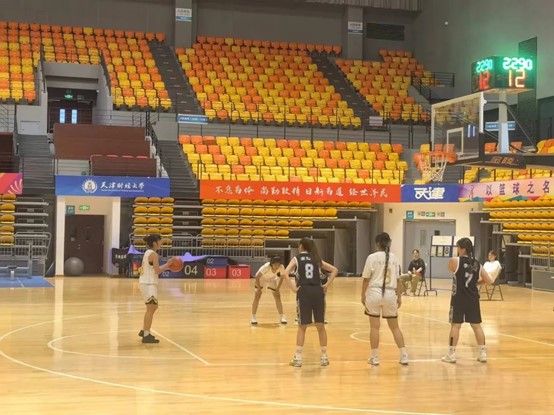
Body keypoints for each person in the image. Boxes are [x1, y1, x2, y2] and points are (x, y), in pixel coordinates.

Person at [282, 237, 338, 367]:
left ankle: (298, 358)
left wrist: (293, 288)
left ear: (301, 246)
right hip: (318, 291)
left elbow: (285, 273)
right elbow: (335, 270)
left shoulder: (296, 258)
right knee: (320, 326)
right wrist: (327, 285)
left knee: (302, 327)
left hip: (304, 292)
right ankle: (324, 357)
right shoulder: (316, 259)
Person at [442, 237, 492, 364]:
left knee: (455, 325)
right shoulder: (477, 264)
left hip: (458, 297)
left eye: (458, 248)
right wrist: (476, 283)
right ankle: (483, 353)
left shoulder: (455, 261)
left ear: (463, 249)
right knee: (476, 326)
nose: (457, 250)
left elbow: (450, 269)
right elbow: (488, 280)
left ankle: (451, 354)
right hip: (473, 298)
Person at [361, 232, 408, 366]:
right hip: (390, 293)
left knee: (374, 327)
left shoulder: (372, 257)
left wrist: (362, 295)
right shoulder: (394, 258)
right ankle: (404, 355)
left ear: (377, 243)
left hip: (374, 292)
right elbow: (398, 280)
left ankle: (375, 357)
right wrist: (399, 296)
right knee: (395, 327)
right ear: (389, 243)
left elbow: (366, 279)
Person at [138, 234, 172, 344]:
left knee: (152, 307)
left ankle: (144, 330)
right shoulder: (153, 254)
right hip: (148, 284)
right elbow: (157, 271)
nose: (161, 242)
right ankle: (146, 334)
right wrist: (168, 265)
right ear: (154, 243)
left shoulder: (148, 252)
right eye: (160, 240)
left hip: (145, 283)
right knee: (151, 308)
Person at [251, 256, 287, 325]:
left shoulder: (281, 267)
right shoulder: (266, 267)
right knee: (257, 296)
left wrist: (278, 288)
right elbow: (257, 277)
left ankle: (282, 317)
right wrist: (259, 289)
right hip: (262, 278)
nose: (277, 266)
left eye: (278, 264)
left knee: (277, 296)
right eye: (275, 264)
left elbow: (282, 277)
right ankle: (253, 317)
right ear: (271, 264)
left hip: (272, 279)